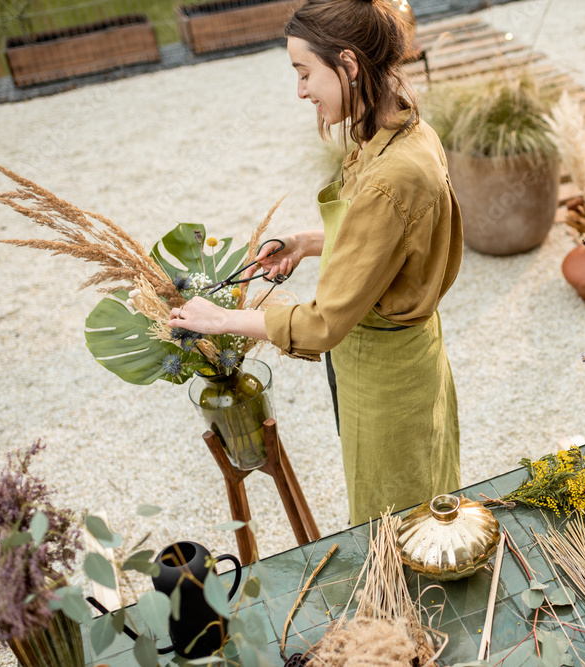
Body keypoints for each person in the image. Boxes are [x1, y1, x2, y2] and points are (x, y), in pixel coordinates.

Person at [169, 0, 463, 526]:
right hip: (401, 362)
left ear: (348, 64)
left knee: (399, 527)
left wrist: (221, 320)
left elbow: (324, 323)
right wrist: (307, 241)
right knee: (424, 509)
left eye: (305, 73)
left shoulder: (392, 173)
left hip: (389, 381)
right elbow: (387, 244)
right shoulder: (403, 131)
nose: (301, 91)